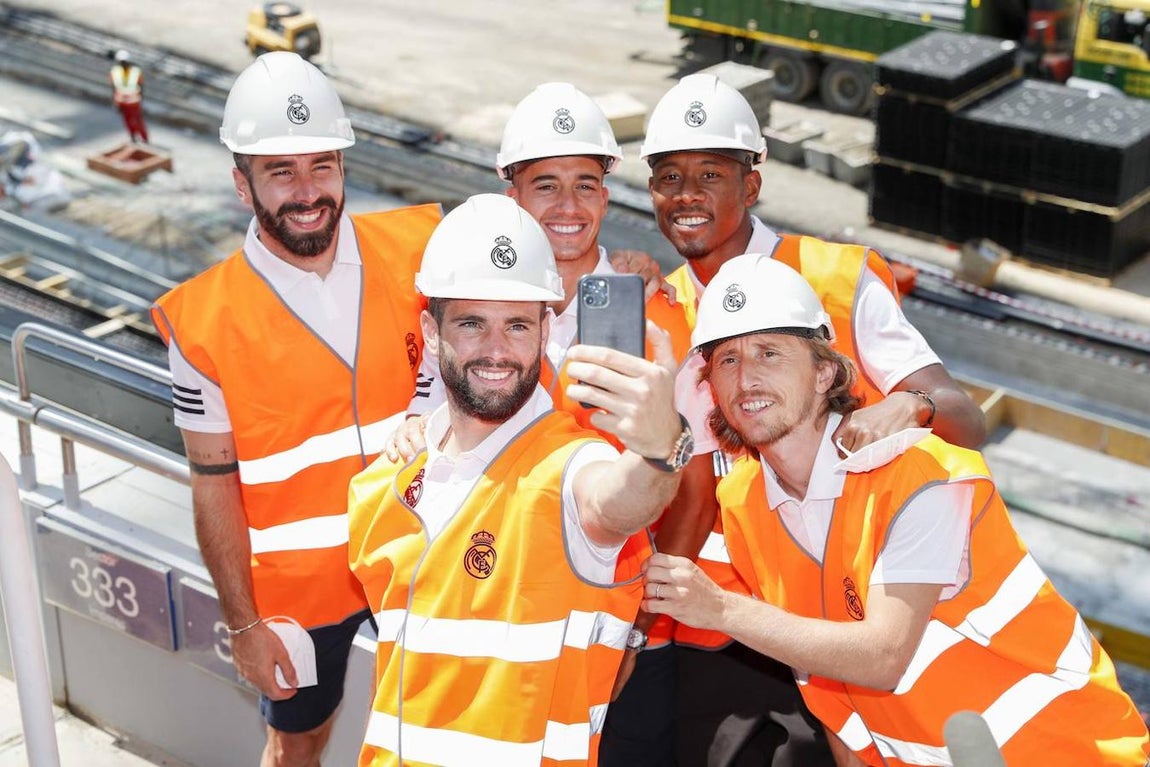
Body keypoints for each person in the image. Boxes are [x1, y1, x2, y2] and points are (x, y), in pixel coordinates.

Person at [644, 254, 1150, 767]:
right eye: (727, 360)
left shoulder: (916, 473)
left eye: (770, 353)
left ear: (824, 374)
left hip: (1067, 753)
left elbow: (883, 656)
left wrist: (721, 609)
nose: (746, 378)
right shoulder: (744, 502)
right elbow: (826, 686)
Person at [641, 73, 988, 766]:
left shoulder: (835, 277)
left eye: (711, 173)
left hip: (844, 628)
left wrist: (908, 404)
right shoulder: (660, 304)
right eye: (669, 175)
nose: (687, 194)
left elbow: (966, 421)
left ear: (752, 184)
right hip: (707, 635)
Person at [385, 83, 704, 767]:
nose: (568, 207)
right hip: (498, 615)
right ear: (511, 197)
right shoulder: (470, 311)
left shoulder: (661, 319)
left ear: (606, 198)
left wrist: (639, 629)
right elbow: (425, 424)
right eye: (546, 185)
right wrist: (412, 431)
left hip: (622, 626)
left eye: (586, 186)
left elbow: (693, 488)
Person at [150, 52, 441, 767]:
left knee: (442, 726)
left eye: (322, 166)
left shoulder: (420, 250)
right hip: (300, 596)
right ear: (241, 185)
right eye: (281, 172)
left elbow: (534, 262)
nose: (308, 192)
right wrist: (243, 623)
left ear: (344, 165)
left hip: (424, 555)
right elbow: (211, 479)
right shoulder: (203, 322)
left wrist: (626, 270)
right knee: (296, 743)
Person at [109, 49, 149, 144]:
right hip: (122, 100)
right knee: (127, 120)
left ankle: (144, 138)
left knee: (137, 120)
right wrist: (116, 102)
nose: (123, 64)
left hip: (133, 100)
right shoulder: (115, 71)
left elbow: (140, 85)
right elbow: (114, 87)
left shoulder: (135, 71)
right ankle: (133, 136)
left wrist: (141, 99)